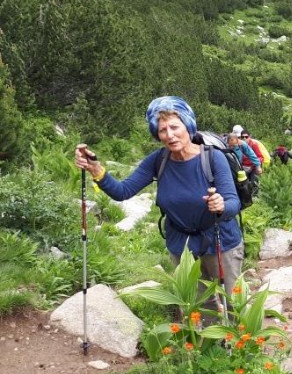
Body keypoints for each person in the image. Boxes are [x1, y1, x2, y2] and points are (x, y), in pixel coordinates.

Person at [74, 96, 244, 305]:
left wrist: (221, 205)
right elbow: (123, 191)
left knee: (232, 305)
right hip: (182, 246)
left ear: (188, 126)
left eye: (174, 127)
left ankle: (236, 338)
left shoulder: (212, 158)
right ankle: (204, 339)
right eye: (163, 130)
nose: (170, 135)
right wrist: (97, 170)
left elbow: (233, 203)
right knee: (199, 307)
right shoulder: (158, 160)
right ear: (157, 134)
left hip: (221, 242)